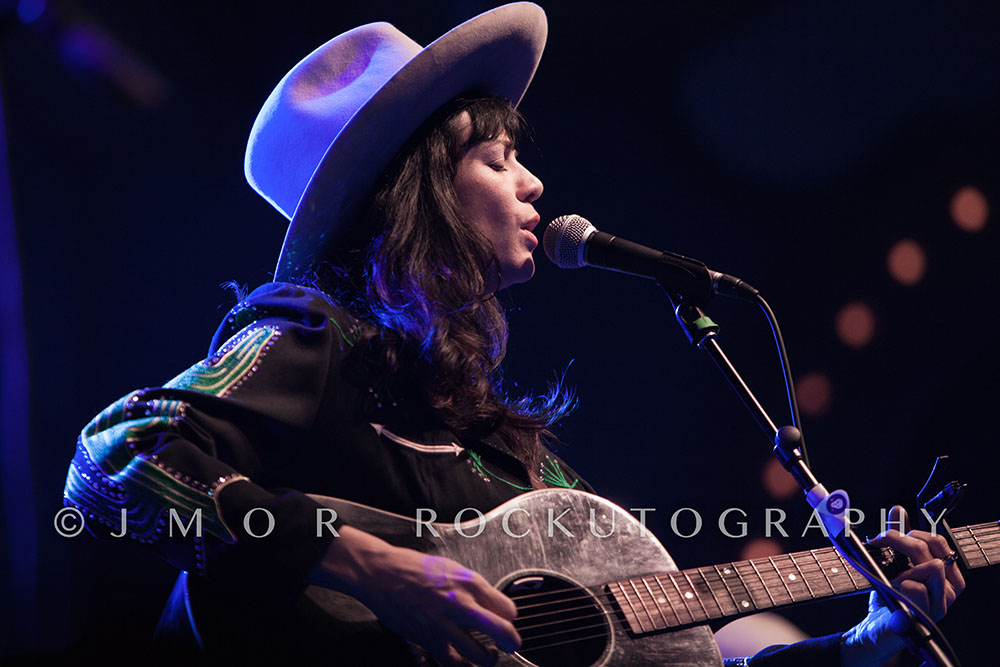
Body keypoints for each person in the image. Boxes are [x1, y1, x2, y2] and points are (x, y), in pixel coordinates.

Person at [63, 3, 964, 666]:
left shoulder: (513, 465)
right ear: (416, 191)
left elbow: (680, 651)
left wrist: (860, 647)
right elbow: (118, 451)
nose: (534, 184)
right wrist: (376, 568)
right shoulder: (315, 336)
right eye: (498, 159)